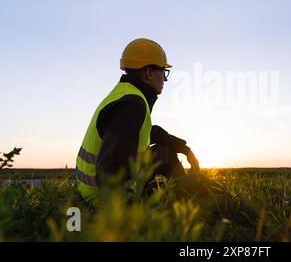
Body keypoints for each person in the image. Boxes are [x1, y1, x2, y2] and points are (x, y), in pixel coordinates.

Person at [75, 38, 208, 205]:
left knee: (164, 152)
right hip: (102, 198)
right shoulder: (131, 105)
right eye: (163, 72)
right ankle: (187, 210)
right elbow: (110, 171)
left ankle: (181, 202)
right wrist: (135, 212)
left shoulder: (126, 94)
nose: (165, 80)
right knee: (202, 182)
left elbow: (146, 132)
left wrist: (184, 149)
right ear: (149, 73)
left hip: (91, 189)